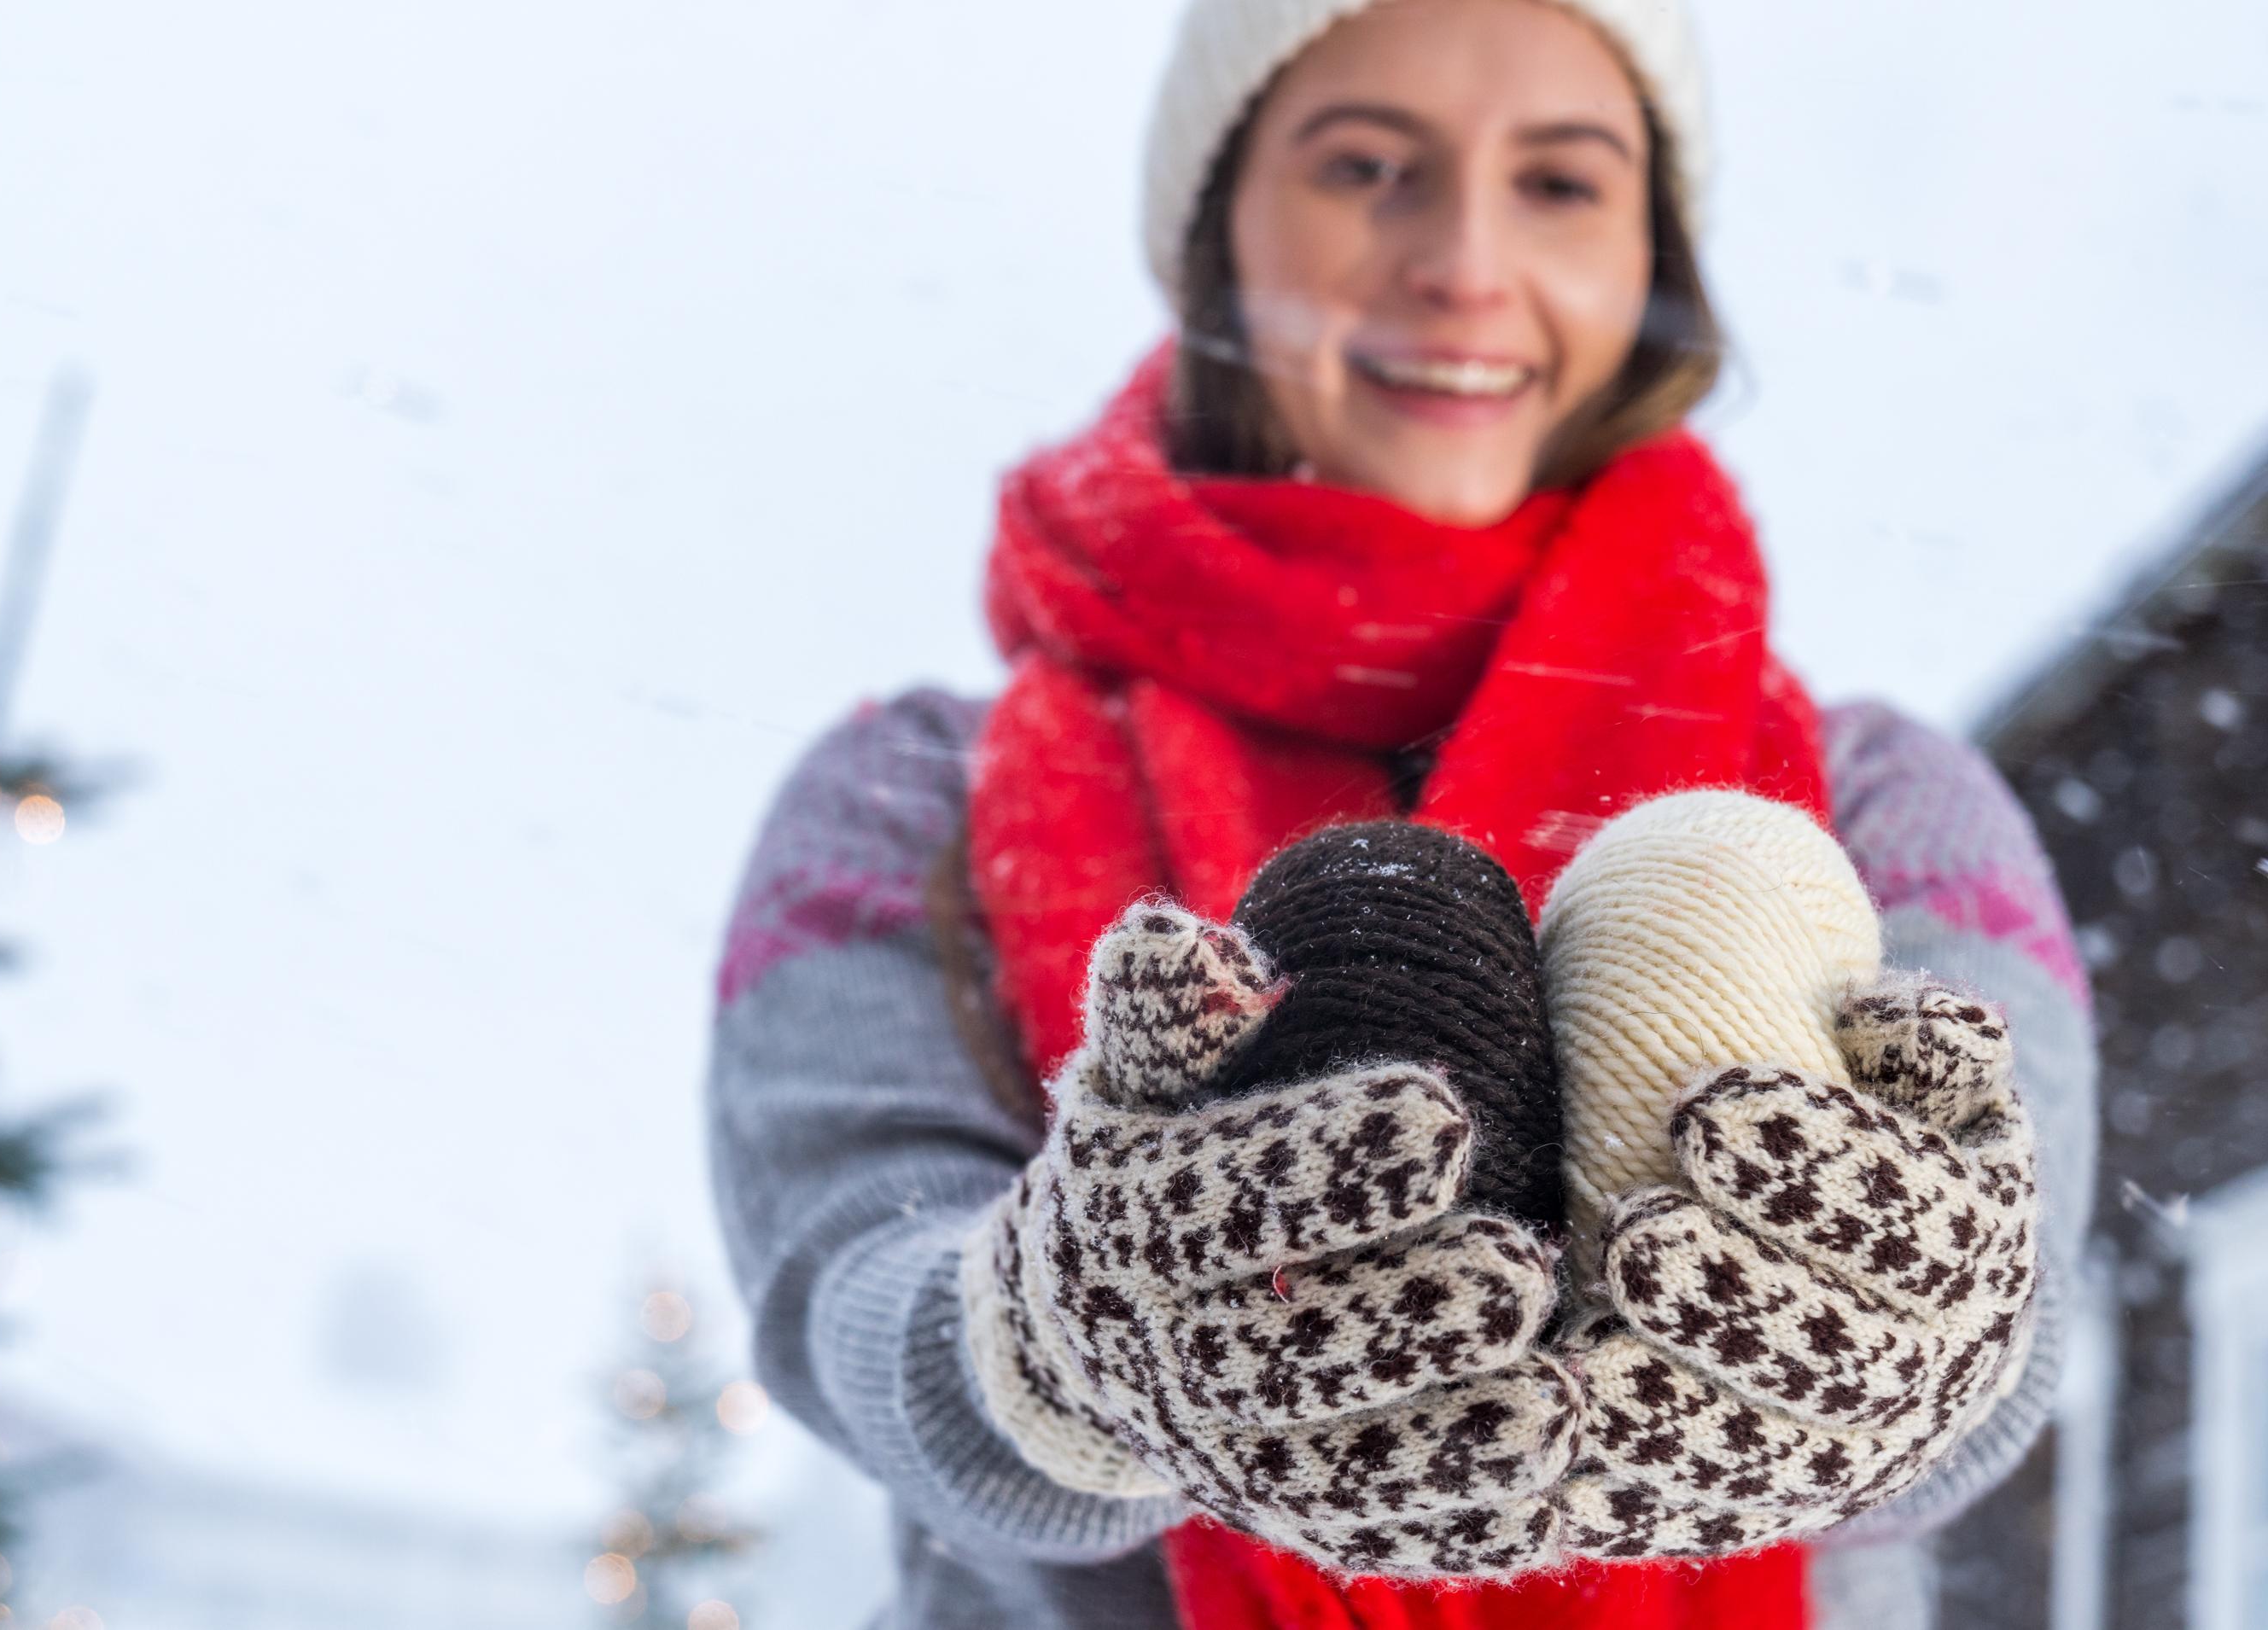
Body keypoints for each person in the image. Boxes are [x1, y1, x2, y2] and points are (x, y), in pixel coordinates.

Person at [705, 0, 2100, 1626]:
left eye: (1562, 185)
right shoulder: (906, 803)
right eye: (1367, 166)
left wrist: (1900, 1329)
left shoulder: (1885, 812)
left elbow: (2003, 1343)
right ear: (1214, 224)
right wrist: (1056, 1349)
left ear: (1653, 254)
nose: (1461, 262)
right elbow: (841, 1291)